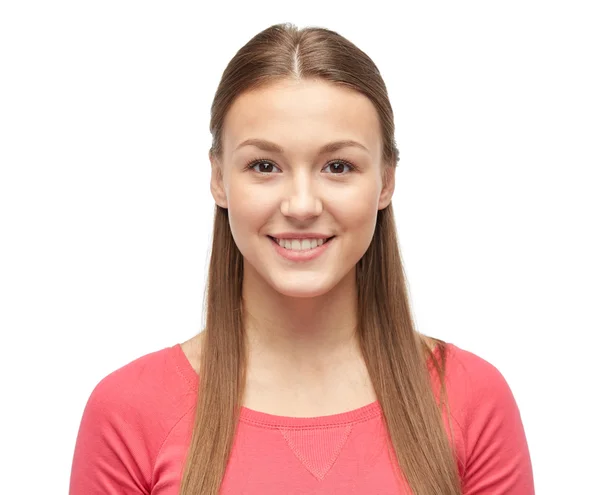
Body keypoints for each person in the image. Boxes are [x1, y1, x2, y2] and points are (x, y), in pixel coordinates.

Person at [69, 22, 535, 495]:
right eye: (264, 166)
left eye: (338, 166)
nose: (301, 205)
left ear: (386, 181)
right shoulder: (129, 411)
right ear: (218, 178)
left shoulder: (473, 399)